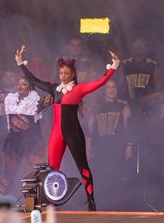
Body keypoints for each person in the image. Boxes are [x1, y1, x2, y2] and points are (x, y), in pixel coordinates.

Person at [17, 45, 120, 211]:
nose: (63, 76)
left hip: (73, 133)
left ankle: (91, 201)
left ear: (73, 74)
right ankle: (50, 203)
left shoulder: (79, 89)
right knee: (52, 170)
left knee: (83, 166)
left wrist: (114, 65)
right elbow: (34, 80)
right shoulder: (53, 88)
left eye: (66, 73)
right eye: (61, 73)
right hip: (56, 133)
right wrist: (20, 63)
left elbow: (100, 81)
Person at [0, 66, 47, 195]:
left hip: (31, 141)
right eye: (18, 84)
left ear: (30, 88)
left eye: (24, 84)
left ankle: (49, 201)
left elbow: (52, 96)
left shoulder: (36, 102)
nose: (20, 86)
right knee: (8, 176)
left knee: (41, 172)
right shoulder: (9, 100)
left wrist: (62, 88)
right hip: (14, 142)